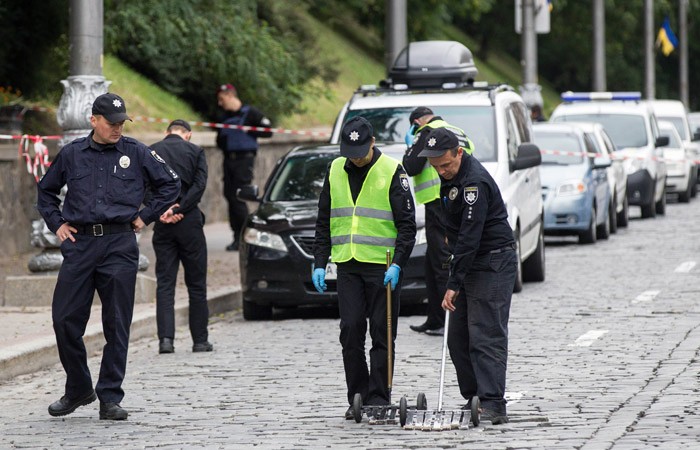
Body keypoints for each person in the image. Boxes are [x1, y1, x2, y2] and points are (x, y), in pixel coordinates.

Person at [36, 93, 181, 420]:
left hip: (119, 244)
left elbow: (170, 185)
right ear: (94, 121)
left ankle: (110, 396)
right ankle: (78, 388)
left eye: (121, 123)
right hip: (81, 245)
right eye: (111, 122)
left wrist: (146, 216)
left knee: (117, 323)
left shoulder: (136, 151)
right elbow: (45, 192)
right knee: (64, 319)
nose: (117, 128)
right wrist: (57, 224)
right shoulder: (72, 154)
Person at [312, 116, 416, 419]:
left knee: (383, 333)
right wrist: (320, 262)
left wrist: (398, 264)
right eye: (349, 152)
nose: (355, 158)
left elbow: (407, 226)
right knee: (351, 329)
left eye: (359, 151)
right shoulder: (334, 169)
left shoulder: (392, 171)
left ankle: (380, 397)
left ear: (372, 143)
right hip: (348, 264)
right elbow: (324, 221)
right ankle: (357, 397)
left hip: (382, 267)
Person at [418, 126, 517, 425]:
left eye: (446, 164)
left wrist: (452, 283)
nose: (442, 172)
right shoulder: (450, 178)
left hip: (492, 262)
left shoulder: (474, 182)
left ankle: (493, 403)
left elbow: (471, 237)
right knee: (457, 336)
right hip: (468, 260)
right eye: (436, 168)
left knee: (485, 334)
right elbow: (454, 228)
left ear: (459, 152)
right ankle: (474, 397)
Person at [403, 107, 473, 337]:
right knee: (432, 263)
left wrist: (410, 144)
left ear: (416, 122)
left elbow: (411, 166)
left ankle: (448, 320)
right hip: (455, 199)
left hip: (438, 202)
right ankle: (434, 319)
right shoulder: (457, 131)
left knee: (442, 263)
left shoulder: (426, 132)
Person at [149, 119, 212, 354]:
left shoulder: (151, 151)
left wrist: (162, 210)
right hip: (190, 224)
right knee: (196, 284)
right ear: (188, 135)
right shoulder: (195, 151)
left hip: (163, 225)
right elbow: (199, 186)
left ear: (167, 133)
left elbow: (143, 187)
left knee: (165, 283)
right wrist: (180, 209)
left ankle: (166, 340)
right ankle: (200, 340)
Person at [215, 83, 273, 251]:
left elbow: (268, 131)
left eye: (222, 99)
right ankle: (236, 236)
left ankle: (245, 236)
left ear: (230, 95)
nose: (220, 103)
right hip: (229, 160)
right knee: (229, 196)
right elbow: (220, 139)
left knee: (239, 197)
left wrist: (249, 131)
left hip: (244, 160)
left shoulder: (251, 113)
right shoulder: (224, 116)